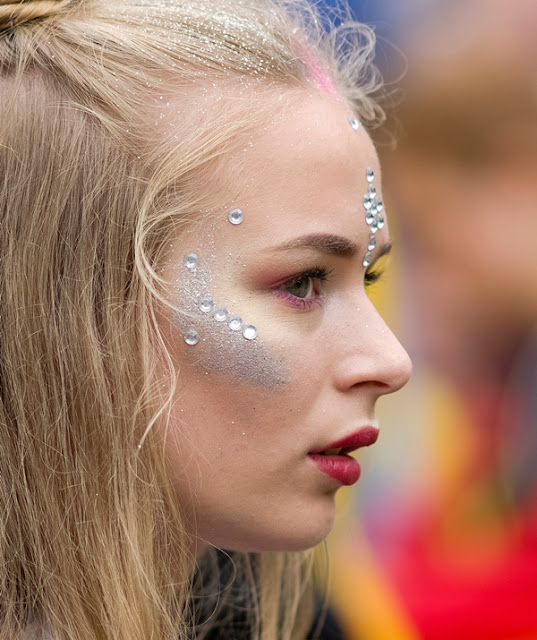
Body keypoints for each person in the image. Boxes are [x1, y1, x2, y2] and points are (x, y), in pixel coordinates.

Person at [0, 0, 411, 638]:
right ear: (66, 308)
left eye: (371, 277)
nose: (391, 362)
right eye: (302, 283)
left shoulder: (299, 621)